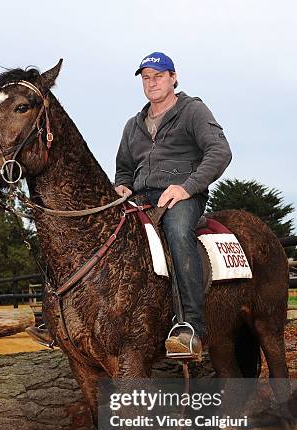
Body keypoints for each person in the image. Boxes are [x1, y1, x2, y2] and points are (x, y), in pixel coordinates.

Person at [114, 51, 232, 360]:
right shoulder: (133, 125)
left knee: (178, 232)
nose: (151, 83)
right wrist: (122, 185)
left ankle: (191, 328)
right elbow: (124, 169)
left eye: (158, 76)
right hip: (139, 197)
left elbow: (220, 152)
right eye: (146, 77)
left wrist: (187, 187)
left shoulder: (193, 111)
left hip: (182, 196)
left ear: (173, 77)